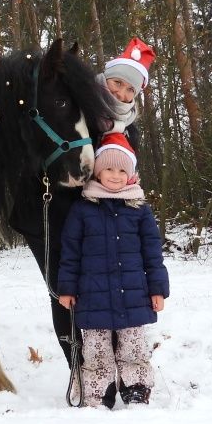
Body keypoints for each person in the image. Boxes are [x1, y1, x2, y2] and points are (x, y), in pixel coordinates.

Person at [9, 37, 156, 377]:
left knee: (108, 295)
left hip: (102, 225)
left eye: (129, 90)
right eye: (117, 82)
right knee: (64, 291)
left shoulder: (130, 132)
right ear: (104, 80)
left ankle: (119, 370)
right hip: (50, 215)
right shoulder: (72, 108)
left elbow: (126, 180)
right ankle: (80, 370)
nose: (120, 93)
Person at [57, 133, 169, 408]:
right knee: (96, 350)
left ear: (130, 174)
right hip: (92, 296)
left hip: (134, 295)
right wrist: (67, 288)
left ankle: (137, 388)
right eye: (108, 168)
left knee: (133, 346)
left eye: (122, 170)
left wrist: (158, 289)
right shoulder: (83, 208)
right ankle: (97, 392)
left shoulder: (140, 209)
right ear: (97, 170)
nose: (115, 175)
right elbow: (70, 252)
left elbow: (153, 254)